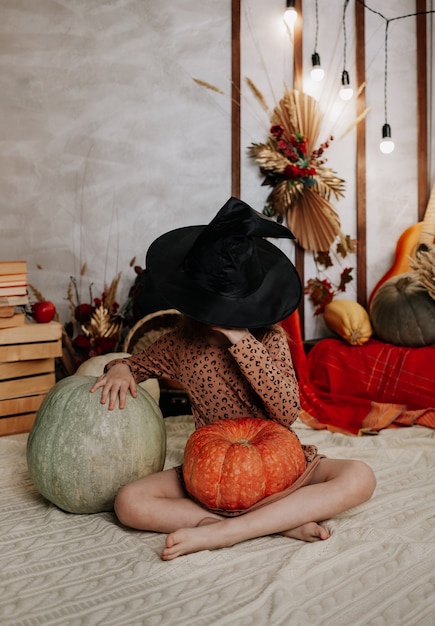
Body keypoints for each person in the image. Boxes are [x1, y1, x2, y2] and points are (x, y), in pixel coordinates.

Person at [90, 197, 376, 561]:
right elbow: (137, 363)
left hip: (279, 469)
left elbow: (287, 410)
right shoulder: (183, 340)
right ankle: (276, 522)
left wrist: (241, 339)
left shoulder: (270, 339)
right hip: (214, 475)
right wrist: (119, 368)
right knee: (129, 502)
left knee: (360, 477)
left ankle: (229, 531)